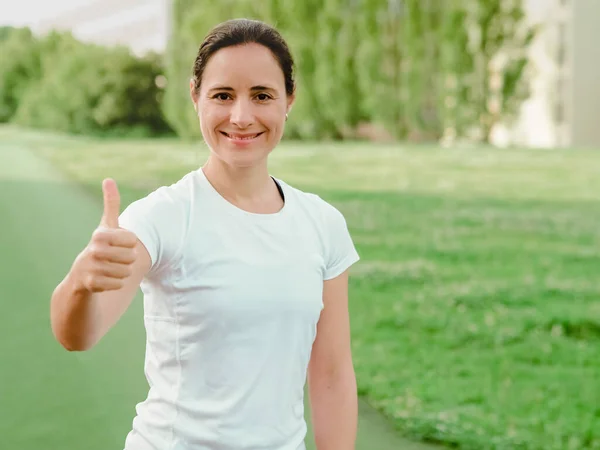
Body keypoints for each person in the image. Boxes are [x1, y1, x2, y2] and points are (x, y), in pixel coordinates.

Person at [50, 18, 360, 450]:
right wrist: (81, 282)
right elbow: (77, 336)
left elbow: (331, 375)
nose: (241, 116)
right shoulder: (162, 216)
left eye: (262, 95)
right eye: (223, 95)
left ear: (289, 99)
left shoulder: (323, 224)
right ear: (195, 97)